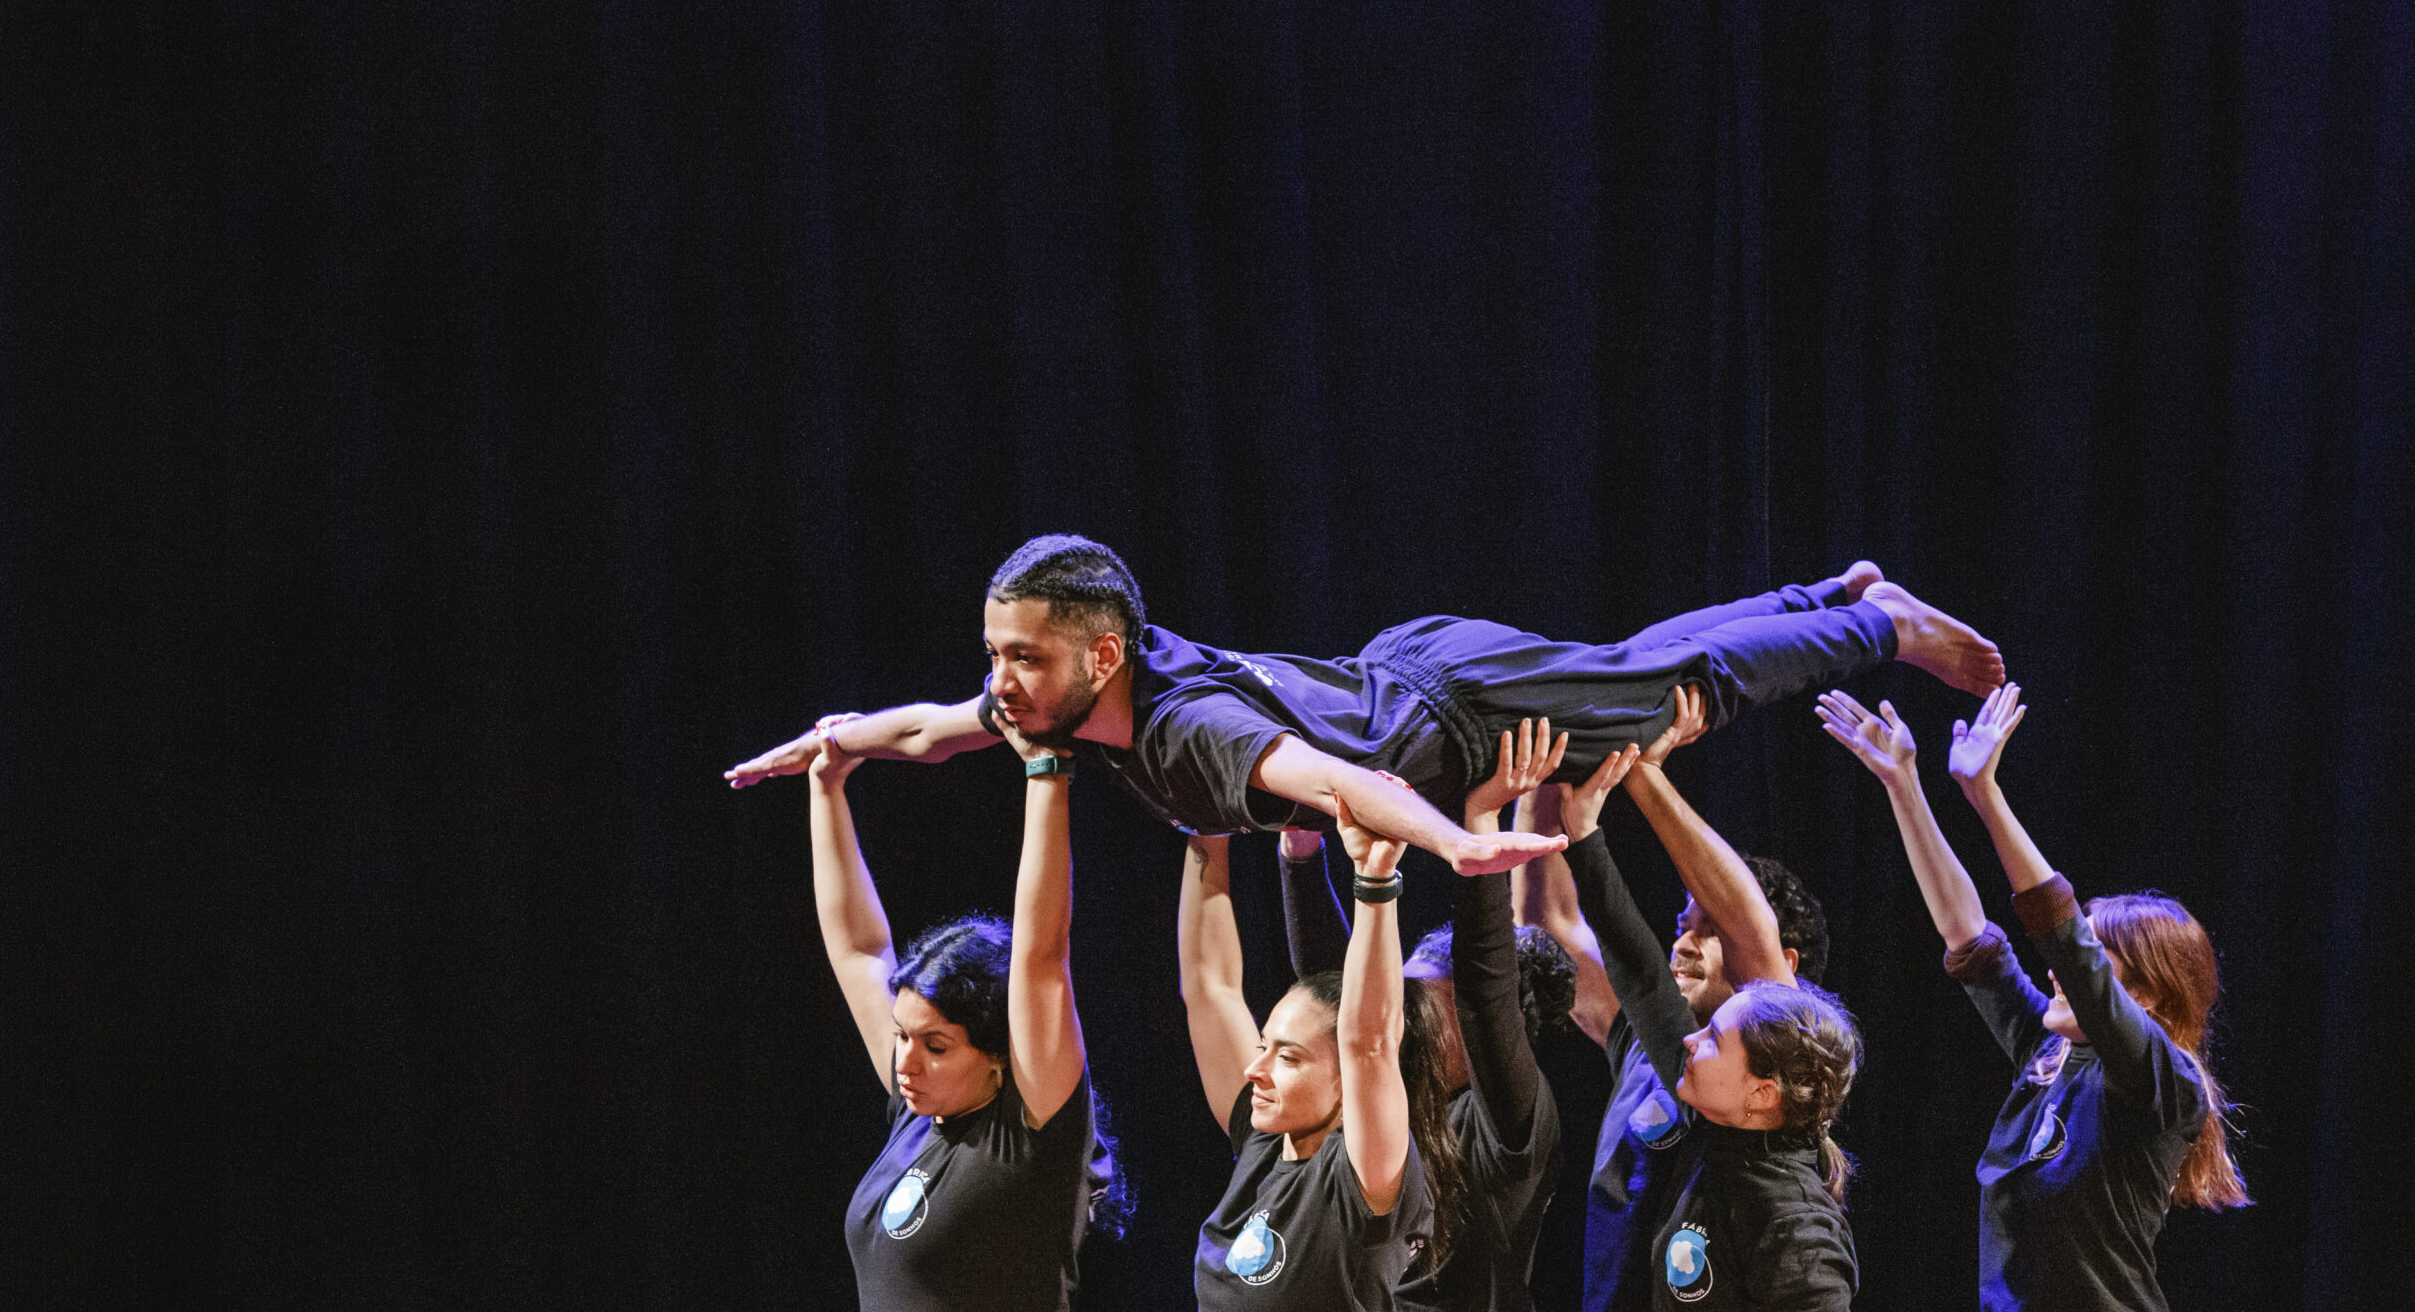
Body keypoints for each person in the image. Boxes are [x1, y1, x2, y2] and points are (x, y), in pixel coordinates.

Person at [727, 536, 2005, 877]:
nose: (999, 683)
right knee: (1630, 667)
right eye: (994, 654)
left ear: (1102, 658)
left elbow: (1342, 787)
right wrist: (837, 738)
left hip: (1456, 708)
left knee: (1672, 695)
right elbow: (931, 730)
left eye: (1022, 659)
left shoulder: (1183, 733)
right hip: (1414, 673)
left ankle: (1876, 625)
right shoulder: (1061, 707)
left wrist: (1455, 843)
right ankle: (1826, 592)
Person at [1818, 685, 2248, 1312]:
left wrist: (1989, 795)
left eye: (2095, 964)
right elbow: (1969, 938)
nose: (2056, 969)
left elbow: (2066, 945)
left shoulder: (2160, 1083)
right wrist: (1904, 785)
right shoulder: (2055, 1054)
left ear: (2151, 1003)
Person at [811, 708, 1126, 1312]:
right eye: (904, 1037)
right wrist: (828, 785)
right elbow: (857, 948)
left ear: (998, 1052)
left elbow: (1043, 955)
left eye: (935, 1045)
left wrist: (1046, 775)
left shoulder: (1034, 1135)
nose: (904, 1060)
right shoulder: (918, 1109)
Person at [1555, 714, 1870, 1312]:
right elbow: (1621, 956)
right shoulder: (1700, 1075)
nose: (1683, 943)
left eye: (1705, 927)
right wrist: (1576, 822)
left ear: (1768, 1089)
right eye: (1680, 924)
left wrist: (1644, 777)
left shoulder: (1793, 1212)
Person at [1278, 720, 1593, 1312]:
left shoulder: (1516, 1124)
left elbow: (1489, 990)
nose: (1401, 1014)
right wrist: (1302, 854)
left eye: (1424, 1000)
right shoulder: (1389, 1096)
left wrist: (1476, 834)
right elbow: (1335, 989)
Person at [1178, 775, 1468, 1312]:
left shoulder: (1365, 1179)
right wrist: (1203, 822)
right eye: (1265, 1046)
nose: (1257, 1067)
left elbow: (1372, 1041)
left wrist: (1375, 882)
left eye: (1289, 1056)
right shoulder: (1261, 1146)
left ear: (1348, 1082)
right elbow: (1209, 984)